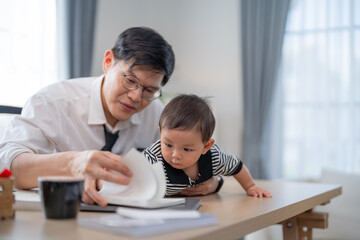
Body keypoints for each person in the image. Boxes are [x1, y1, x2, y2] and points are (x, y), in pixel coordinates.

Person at [0, 27, 221, 207]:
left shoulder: (155, 114)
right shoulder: (52, 102)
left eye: (149, 90)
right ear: (108, 62)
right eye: (130, 80)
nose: (136, 97)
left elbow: (199, 157)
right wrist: (72, 163)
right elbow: (8, 166)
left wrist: (212, 183)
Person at [142, 94, 272, 197]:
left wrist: (250, 186)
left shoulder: (214, 156)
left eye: (187, 149)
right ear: (160, 133)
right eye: (168, 145)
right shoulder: (153, 157)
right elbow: (135, 177)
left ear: (206, 146)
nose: (175, 155)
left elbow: (236, 166)